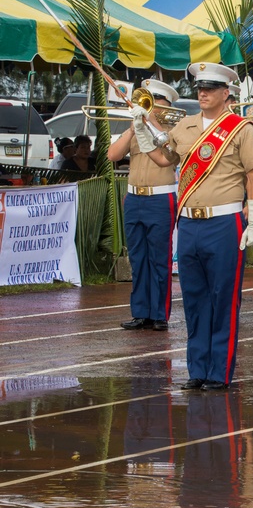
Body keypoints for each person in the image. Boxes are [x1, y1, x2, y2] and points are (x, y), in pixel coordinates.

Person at [136, 62, 253, 390]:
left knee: (223, 298)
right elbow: (165, 160)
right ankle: (197, 370)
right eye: (199, 87)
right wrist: (142, 129)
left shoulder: (240, 128)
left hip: (224, 223)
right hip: (191, 226)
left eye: (210, 88)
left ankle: (219, 373)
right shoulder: (185, 126)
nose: (203, 92)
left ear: (226, 92)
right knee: (194, 300)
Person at [108, 79, 181, 333]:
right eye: (145, 103)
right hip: (134, 198)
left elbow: (171, 152)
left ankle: (160, 314)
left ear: (165, 105)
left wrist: (151, 122)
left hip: (160, 198)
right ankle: (141, 312)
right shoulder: (136, 126)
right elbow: (112, 155)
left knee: (159, 259)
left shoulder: (174, 128)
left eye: (152, 104)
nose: (146, 108)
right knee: (138, 259)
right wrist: (133, 127)